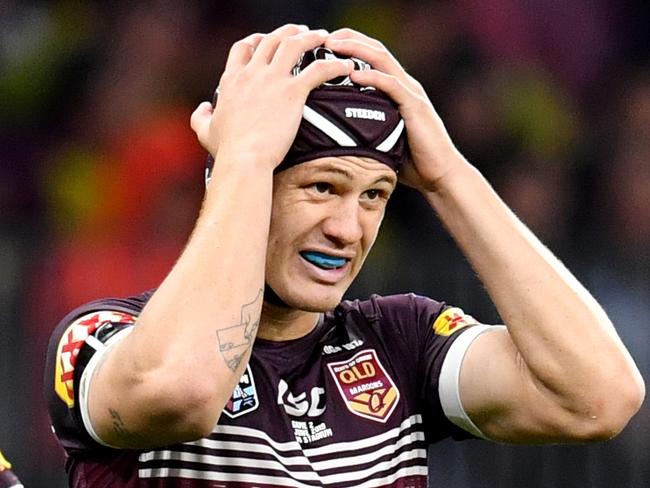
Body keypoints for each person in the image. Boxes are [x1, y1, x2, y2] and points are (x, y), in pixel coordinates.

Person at [45, 25, 644, 487]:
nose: (347, 228)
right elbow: (183, 393)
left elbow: (599, 396)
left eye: (375, 195)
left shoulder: (400, 342)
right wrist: (244, 161)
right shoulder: (99, 337)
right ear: (236, 181)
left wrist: (450, 177)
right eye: (322, 187)